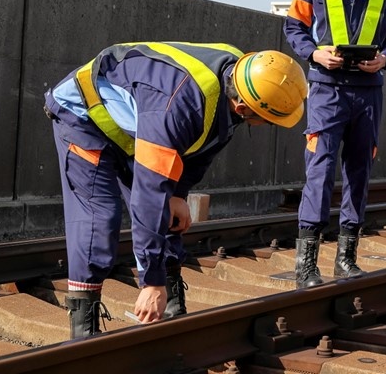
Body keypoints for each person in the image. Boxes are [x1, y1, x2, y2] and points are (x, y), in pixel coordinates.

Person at [44, 43, 308, 338]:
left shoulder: (240, 77)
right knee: (100, 219)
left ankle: (170, 313)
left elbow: (204, 147)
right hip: (85, 117)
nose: (264, 126)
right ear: (244, 107)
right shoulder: (180, 106)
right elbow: (149, 196)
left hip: (138, 124)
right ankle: (84, 331)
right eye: (265, 120)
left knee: (166, 211)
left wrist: (180, 193)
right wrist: (150, 282)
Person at [284, 0, 386, 289]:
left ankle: (346, 259)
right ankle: (306, 265)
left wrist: (385, 59)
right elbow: (293, 26)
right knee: (319, 171)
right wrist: (313, 52)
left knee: (359, 173)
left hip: (368, 94)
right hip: (327, 90)